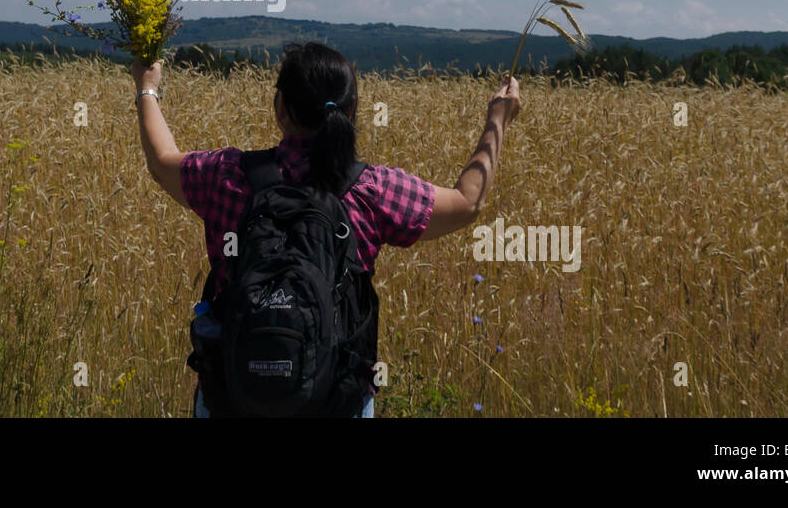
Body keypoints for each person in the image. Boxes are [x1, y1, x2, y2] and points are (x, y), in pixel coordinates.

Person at [132, 41, 522, 418]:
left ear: (280, 107)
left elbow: (161, 160)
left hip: (232, 397)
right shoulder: (372, 190)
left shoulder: (227, 176)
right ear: (350, 112)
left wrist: (146, 87)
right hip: (335, 399)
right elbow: (468, 202)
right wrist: (497, 119)